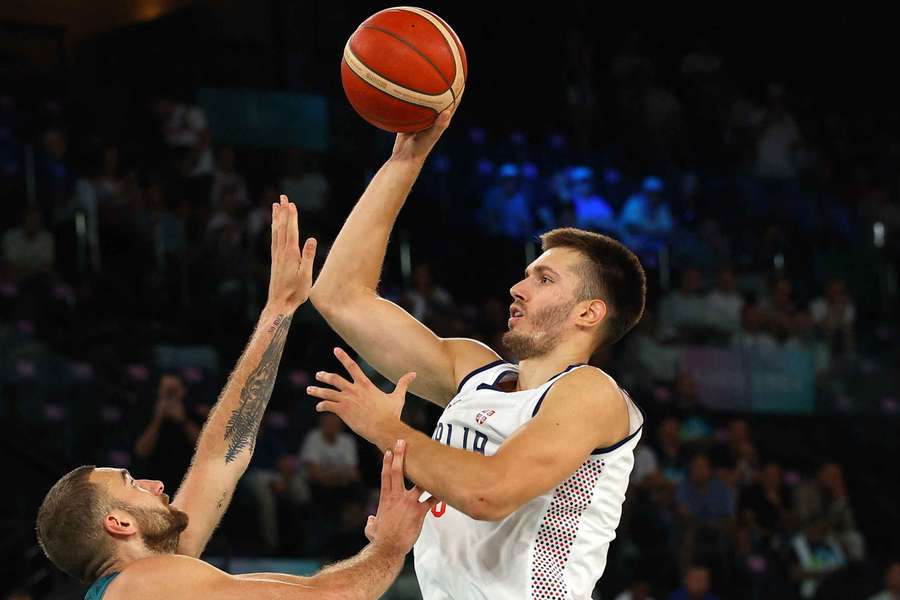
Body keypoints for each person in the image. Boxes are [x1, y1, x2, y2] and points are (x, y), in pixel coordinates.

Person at [308, 106, 647, 598]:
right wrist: (406, 158)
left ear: (589, 313)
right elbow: (339, 296)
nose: (517, 288)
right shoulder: (472, 371)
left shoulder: (590, 393)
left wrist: (383, 427)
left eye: (544, 279)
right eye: (526, 274)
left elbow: (488, 492)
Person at [35, 196, 435, 599]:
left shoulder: (150, 581)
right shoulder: (143, 585)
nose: (154, 483)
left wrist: (278, 308)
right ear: (119, 523)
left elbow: (220, 454)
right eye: (131, 483)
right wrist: (389, 548)